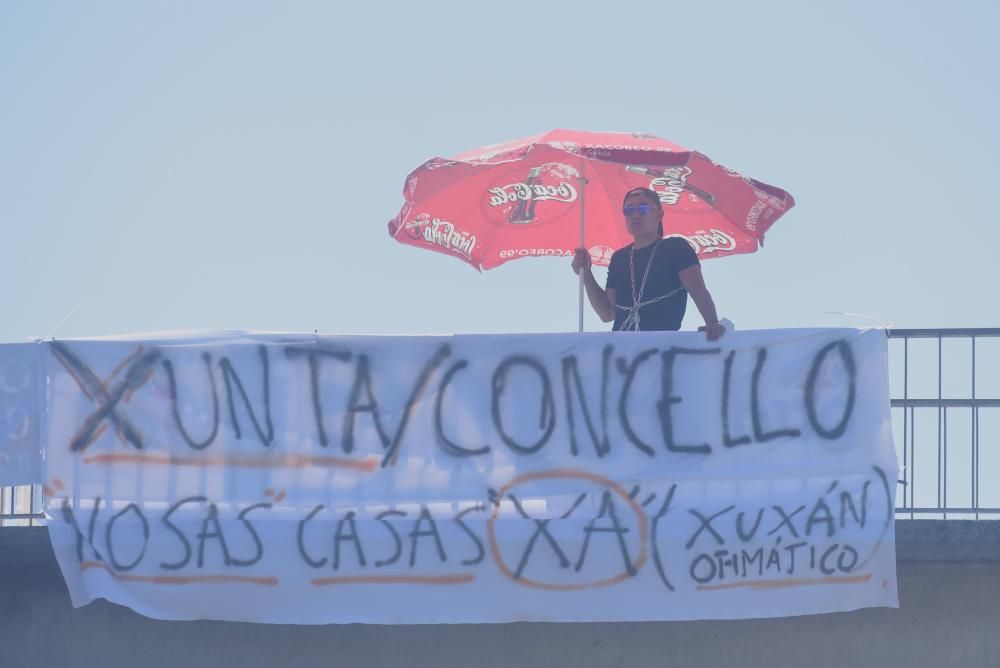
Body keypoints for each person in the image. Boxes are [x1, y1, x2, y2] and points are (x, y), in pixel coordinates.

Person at [571, 187, 726, 341]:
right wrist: (586, 273)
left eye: (643, 208)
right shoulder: (619, 258)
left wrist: (712, 323)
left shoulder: (676, 247)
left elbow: (698, 291)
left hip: (661, 348)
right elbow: (607, 313)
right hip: (620, 349)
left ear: (660, 214)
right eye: (629, 210)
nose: (636, 215)